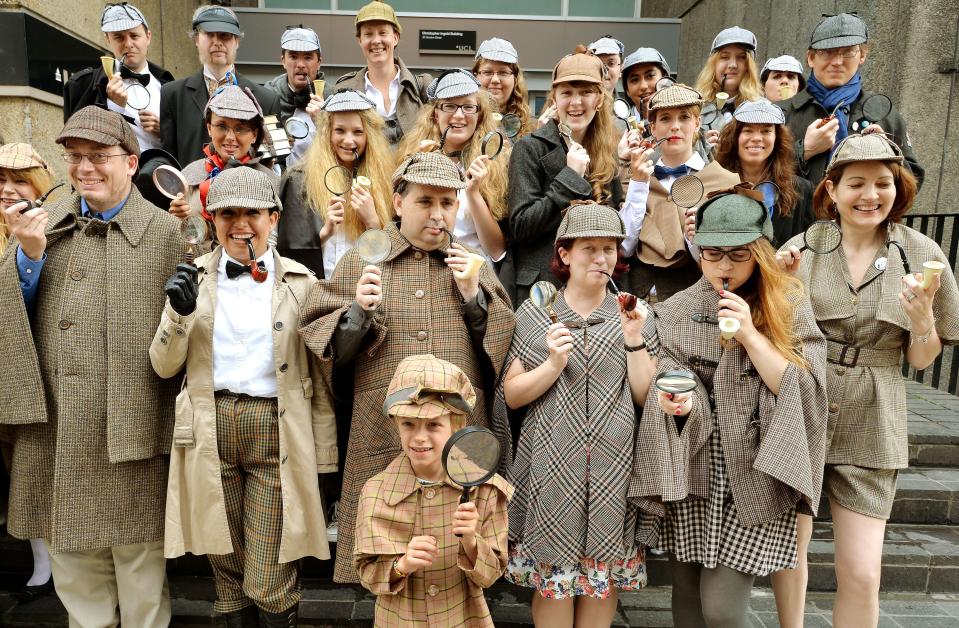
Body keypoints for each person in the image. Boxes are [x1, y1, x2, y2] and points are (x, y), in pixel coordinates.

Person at [0, 106, 183, 627]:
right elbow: (12, 322)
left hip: (134, 432)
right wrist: (27, 256)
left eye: (99, 156)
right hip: (60, 428)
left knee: (141, 568)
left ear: (130, 162)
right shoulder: (45, 228)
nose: (85, 168)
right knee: (75, 570)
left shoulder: (163, 234)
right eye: (76, 157)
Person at [298, 150, 515, 583]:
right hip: (382, 427)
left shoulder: (472, 263)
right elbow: (326, 346)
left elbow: (500, 349)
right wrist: (357, 311)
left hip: (458, 430)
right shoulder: (362, 260)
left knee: (459, 553)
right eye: (425, 202)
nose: (438, 215)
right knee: (386, 552)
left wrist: (473, 295)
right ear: (398, 203)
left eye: (448, 203)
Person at [775, 134, 959, 628]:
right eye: (856, 183)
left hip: (875, 411)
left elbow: (922, 361)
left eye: (883, 183)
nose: (870, 195)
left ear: (898, 189)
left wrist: (922, 320)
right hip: (804, 403)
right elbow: (770, 327)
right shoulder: (802, 247)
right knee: (790, 559)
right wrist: (773, 283)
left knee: (861, 572)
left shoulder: (922, 254)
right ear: (831, 190)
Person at [630, 189, 828, 628]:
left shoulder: (788, 304)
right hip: (693, 464)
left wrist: (751, 336)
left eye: (738, 255)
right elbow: (664, 383)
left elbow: (809, 393)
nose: (723, 267)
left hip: (755, 468)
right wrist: (677, 398)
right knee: (684, 592)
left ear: (759, 252)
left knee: (721, 608)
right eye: (713, 253)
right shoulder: (678, 308)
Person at [150, 167, 336, 628]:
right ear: (210, 220)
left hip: (276, 428)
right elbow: (163, 365)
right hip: (209, 427)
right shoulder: (193, 278)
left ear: (273, 217)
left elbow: (321, 378)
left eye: (252, 212)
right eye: (227, 213)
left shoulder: (301, 284)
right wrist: (179, 313)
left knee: (270, 572)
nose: (240, 224)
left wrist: (327, 458)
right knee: (227, 570)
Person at [500, 203, 651, 627]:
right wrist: (551, 363)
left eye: (609, 248)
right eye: (589, 248)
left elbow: (644, 396)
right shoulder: (535, 313)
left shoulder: (633, 313)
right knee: (555, 580)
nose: (601, 259)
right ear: (564, 254)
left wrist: (635, 339)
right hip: (551, 463)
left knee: (601, 578)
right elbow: (512, 396)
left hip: (614, 464)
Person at [355, 354, 512, 627]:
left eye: (433, 425)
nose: (419, 437)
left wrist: (471, 542)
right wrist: (401, 565)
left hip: (463, 618)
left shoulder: (485, 491)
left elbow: (491, 575)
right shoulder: (376, 491)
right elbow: (368, 574)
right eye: (408, 424)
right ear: (395, 424)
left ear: (457, 425)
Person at [504, 49, 622, 306]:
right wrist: (569, 178)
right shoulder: (529, 148)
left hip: (596, 290)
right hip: (544, 291)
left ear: (599, 100)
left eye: (586, 92)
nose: (576, 102)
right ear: (554, 99)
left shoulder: (607, 151)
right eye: (567, 93)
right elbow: (521, 227)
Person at [0, 142, 60, 603]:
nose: (7, 190)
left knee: (28, 466)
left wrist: (29, 252)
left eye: (19, 180)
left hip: (28, 368)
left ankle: (47, 562)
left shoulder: (53, 226)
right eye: (1, 180)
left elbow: (34, 300)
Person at [619, 84, 739, 301]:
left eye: (684, 117)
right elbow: (624, 248)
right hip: (637, 303)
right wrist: (637, 184)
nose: (675, 127)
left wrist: (695, 238)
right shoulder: (633, 179)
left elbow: (728, 261)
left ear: (697, 124)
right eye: (665, 119)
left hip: (697, 304)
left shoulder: (724, 182)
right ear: (653, 128)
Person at [780, 13, 924, 189]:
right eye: (827, 52)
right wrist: (804, 150)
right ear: (811, 58)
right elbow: (755, 175)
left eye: (848, 52)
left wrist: (888, 155)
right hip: (800, 216)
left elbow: (914, 183)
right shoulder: (781, 113)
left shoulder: (884, 113)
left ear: (862, 56)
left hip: (863, 214)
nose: (837, 62)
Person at [277, 89, 394, 278]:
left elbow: (393, 260)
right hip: (317, 290)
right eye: (340, 130)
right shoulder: (300, 180)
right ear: (326, 133)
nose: (349, 140)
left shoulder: (384, 181)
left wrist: (372, 221)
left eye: (358, 132)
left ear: (368, 136)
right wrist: (325, 233)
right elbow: (288, 254)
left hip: (365, 289)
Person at [397, 69, 510, 264]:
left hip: (474, 276)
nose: (459, 116)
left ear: (480, 116)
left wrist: (473, 193)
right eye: (449, 106)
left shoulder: (495, 166)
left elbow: (497, 251)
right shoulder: (415, 157)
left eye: (468, 107)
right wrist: (418, 171)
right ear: (435, 114)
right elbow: (401, 230)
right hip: (423, 270)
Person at [160, 5, 281, 166]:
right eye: (210, 34)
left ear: (236, 41)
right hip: (190, 188)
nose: (217, 42)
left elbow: (274, 163)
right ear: (196, 39)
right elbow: (169, 160)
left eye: (225, 35)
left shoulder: (266, 100)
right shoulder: (172, 95)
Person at [63, 3, 174, 152]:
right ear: (108, 39)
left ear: (148, 37)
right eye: (119, 37)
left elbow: (188, 141)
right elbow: (72, 144)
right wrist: (115, 109)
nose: (128, 44)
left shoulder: (169, 84)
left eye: (134, 36)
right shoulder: (81, 86)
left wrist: (165, 130)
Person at [712, 100, 815, 245]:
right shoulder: (714, 186)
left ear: (777, 139)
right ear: (734, 137)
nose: (756, 138)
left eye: (766, 131)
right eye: (747, 130)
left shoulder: (801, 190)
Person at [168, 85, 277, 221]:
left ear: (254, 135)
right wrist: (176, 219)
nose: (230, 137)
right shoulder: (188, 175)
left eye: (240, 129)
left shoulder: (272, 183)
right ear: (209, 128)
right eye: (221, 126)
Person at [334, 0, 432, 146]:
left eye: (382, 33)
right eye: (368, 34)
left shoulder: (423, 86)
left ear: (395, 37)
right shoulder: (344, 91)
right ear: (360, 40)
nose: (376, 41)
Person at [266, 25, 326, 168]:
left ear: (319, 62)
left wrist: (324, 123)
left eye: (308, 57)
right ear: (283, 61)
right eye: (293, 56)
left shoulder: (332, 98)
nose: (300, 64)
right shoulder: (267, 97)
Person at [695, 27, 763, 135]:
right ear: (713, 64)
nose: (732, 65)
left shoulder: (762, 110)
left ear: (748, 67)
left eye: (741, 57)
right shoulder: (694, 109)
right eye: (724, 57)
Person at [471, 38, 533, 139]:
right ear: (475, 76)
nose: (495, 80)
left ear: (515, 78)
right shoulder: (463, 123)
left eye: (503, 73)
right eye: (487, 72)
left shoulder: (532, 129)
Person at [620, 47, 671, 122]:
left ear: (664, 78)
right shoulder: (615, 128)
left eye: (650, 76)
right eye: (635, 80)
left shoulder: (684, 118)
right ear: (627, 90)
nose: (643, 86)